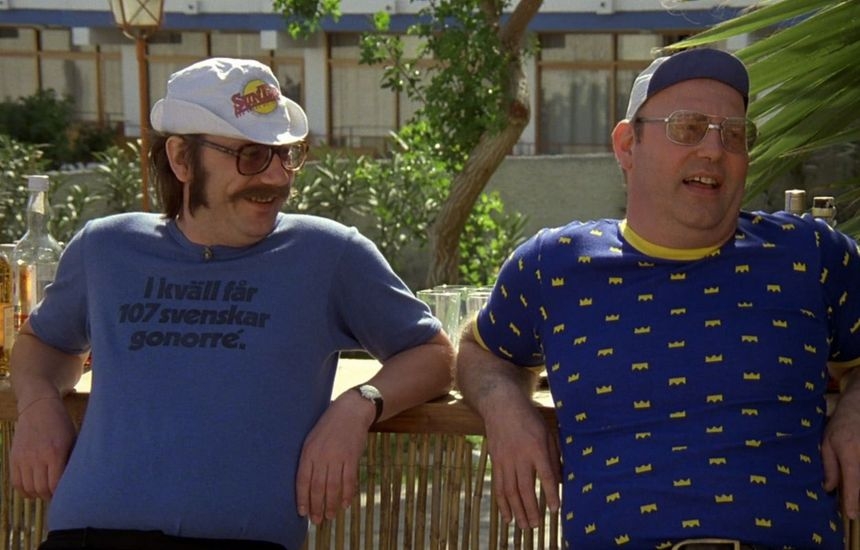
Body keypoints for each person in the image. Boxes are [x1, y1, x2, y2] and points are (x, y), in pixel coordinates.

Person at [9, 57, 454, 550]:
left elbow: (434, 355)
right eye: (250, 155)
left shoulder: (331, 254)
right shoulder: (104, 247)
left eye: (285, 154)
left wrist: (357, 406)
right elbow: (42, 344)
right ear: (181, 159)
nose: (277, 176)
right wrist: (38, 403)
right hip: (88, 536)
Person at [456, 47, 860, 548]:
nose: (714, 150)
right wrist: (504, 409)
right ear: (628, 146)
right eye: (688, 128)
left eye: (734, 134)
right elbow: (480, 351)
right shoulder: (554, 266)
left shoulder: (810, 254)